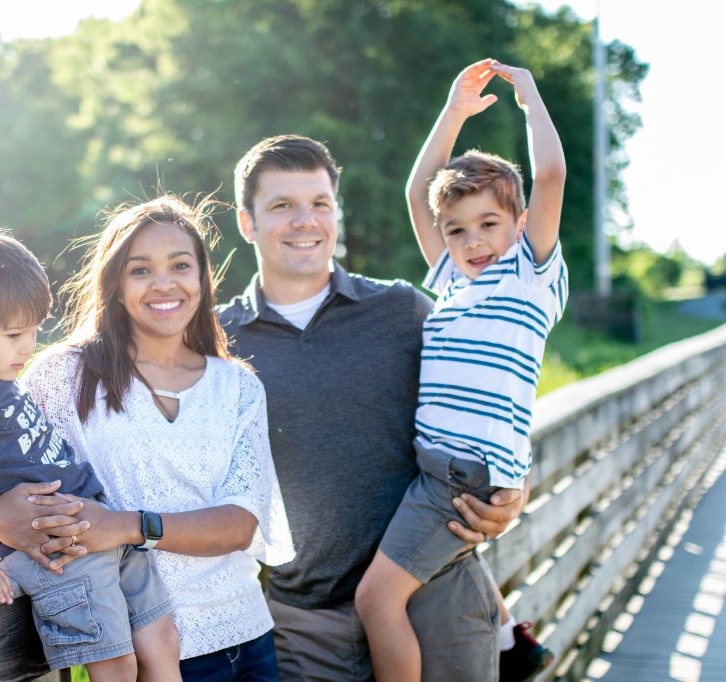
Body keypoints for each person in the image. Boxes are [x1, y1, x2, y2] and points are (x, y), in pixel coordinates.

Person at [216, 128, 529, 681]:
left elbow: (494, 386)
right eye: (282, 206)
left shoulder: (402, 310)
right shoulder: (216, 340)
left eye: (319, 203)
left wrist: (514, 488)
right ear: (248, 222)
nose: (304, 220)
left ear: (337, 214)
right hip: (305, 622)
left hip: (436, 600)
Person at [0, 197, 295, 681]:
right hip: (139, 655)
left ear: (203, 280)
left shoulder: (238, 387)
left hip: (248, 641)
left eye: (181, 266)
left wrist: (127, 525)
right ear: (116, 284)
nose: (165, 284)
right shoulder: (65, 377)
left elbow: (240, 525)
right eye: (141, 270)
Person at [0, 231, 181, 681]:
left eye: (35, 330)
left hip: (101, 528)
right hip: (57, 552)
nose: (28, 346)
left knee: (162, 641)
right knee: (116, 662)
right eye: (13, 334)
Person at [352, 59, 566, 681]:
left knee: (377, 599)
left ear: (519, 223)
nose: (473, 241)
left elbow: (549, 174)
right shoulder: (453, 279)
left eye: (489, 225)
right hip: (433, 467)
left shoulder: (529, 276)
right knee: (420, 581)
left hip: (459, 478)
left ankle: (506, 642)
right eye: (458, 231)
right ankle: (511, 640)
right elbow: (419, 190)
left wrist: (528, 98)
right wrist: (452, 112)